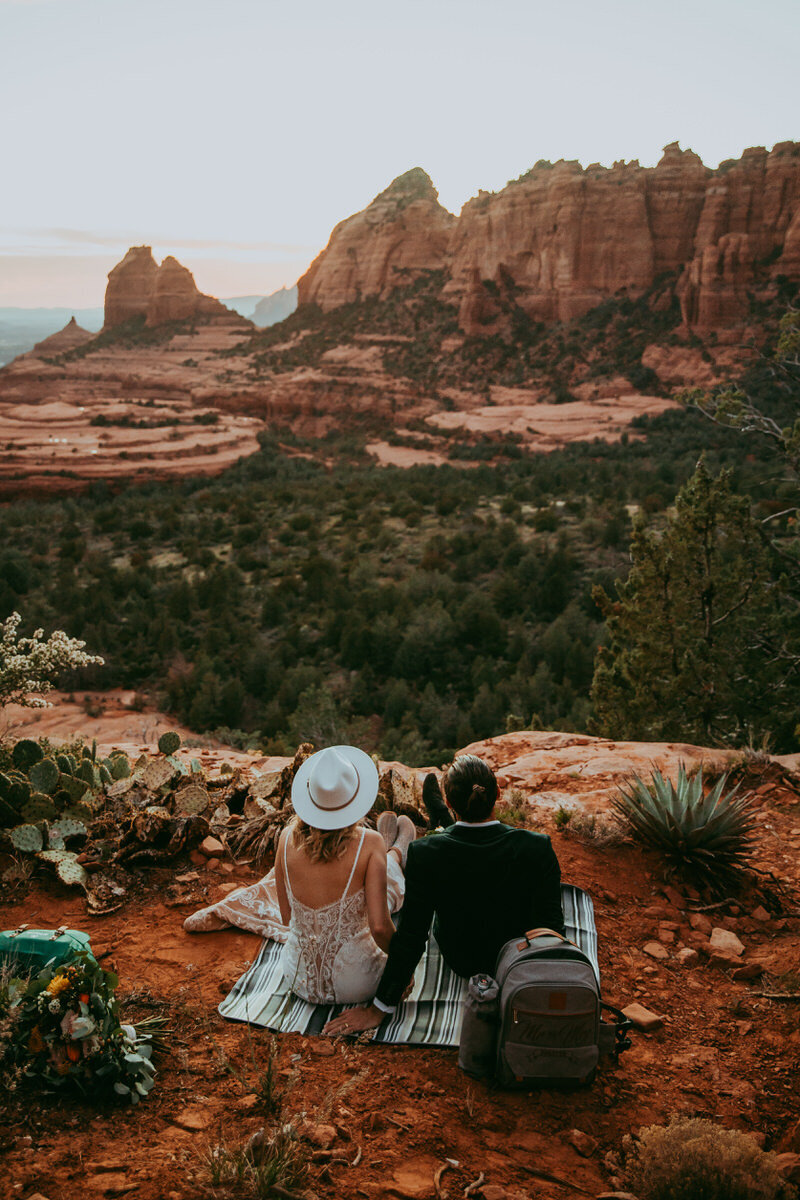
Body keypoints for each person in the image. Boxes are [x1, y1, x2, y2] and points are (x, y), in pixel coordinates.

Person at [325, 753, 564, 1035]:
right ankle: (441, 818)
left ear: (452, 802)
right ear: (499, 793)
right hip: (517, 962)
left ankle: (441, 820)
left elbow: (412, 936)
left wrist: (379, 1008)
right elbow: (552, 925)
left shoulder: (426, 854)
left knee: (442, 841)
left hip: (462, 957)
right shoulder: (537, 847)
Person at [184, 745, 416, 1006]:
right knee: (382, 892)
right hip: (357, 982)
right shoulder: (368, 841)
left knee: (364, 889)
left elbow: (287, 917)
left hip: (299, 979)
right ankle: (397, 852)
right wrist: (403, 968)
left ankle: (393, 852)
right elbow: (380, 928)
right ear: (353, 798)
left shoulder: (285, 839)